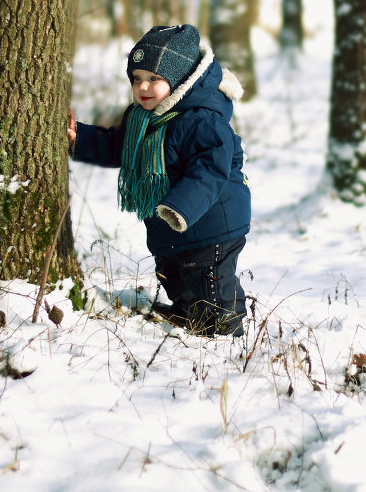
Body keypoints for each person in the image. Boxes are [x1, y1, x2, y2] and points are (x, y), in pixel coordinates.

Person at [68, 24, 251, 337]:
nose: (143, 87)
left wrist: (181, 206)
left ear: (180, 79)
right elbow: (120, 147)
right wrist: (80, 138)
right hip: (169, 224)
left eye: (154, 78)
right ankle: (186, 312)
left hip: (210, 224)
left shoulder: (203, 121)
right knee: (173, 274)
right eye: (137, 78)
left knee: (209, 281)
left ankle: (224, 330)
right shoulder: (143, 118)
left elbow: (210, 170)